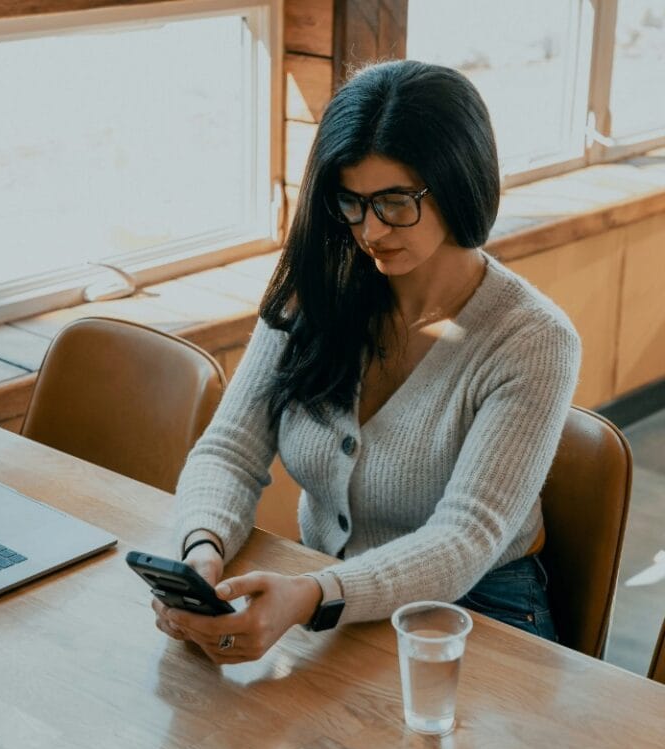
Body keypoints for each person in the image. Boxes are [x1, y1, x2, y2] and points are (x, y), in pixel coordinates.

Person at [152, 60, 581, 664]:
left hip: (479, 613)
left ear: (459, 181)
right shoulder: (317, 293)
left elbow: (463, 540)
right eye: (350, 202)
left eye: (395, 202)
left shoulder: (533, 340)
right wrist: (202, 552)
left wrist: (312, 596)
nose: (370, 230)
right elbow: (228, 450)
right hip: (328, 596)